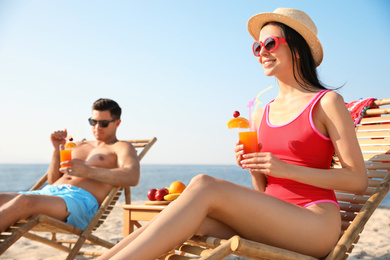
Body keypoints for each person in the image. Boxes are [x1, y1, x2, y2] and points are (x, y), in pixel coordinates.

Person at [99, 8, 368, 259]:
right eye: (257, 47)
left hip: (314, 224)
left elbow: (357, 180)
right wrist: (253, 166)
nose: (262, 52)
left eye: (270, 44)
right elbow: (262, 188)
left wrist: (285, 169)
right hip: (270, 218)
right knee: (186, 218)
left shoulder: (326, 102)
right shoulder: (260, 113)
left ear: (297, 49)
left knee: (203, 184)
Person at [0, 98, 140, 231]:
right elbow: (53, 181)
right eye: (93, 122)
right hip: (49, 194)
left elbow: (132, 177)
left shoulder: (120, 147)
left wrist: (88, 171)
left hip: (79, 201)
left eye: (103, 123)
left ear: (117, 123)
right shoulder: (76, 145)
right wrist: (57, 149)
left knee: (24, 201)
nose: (97, 127)